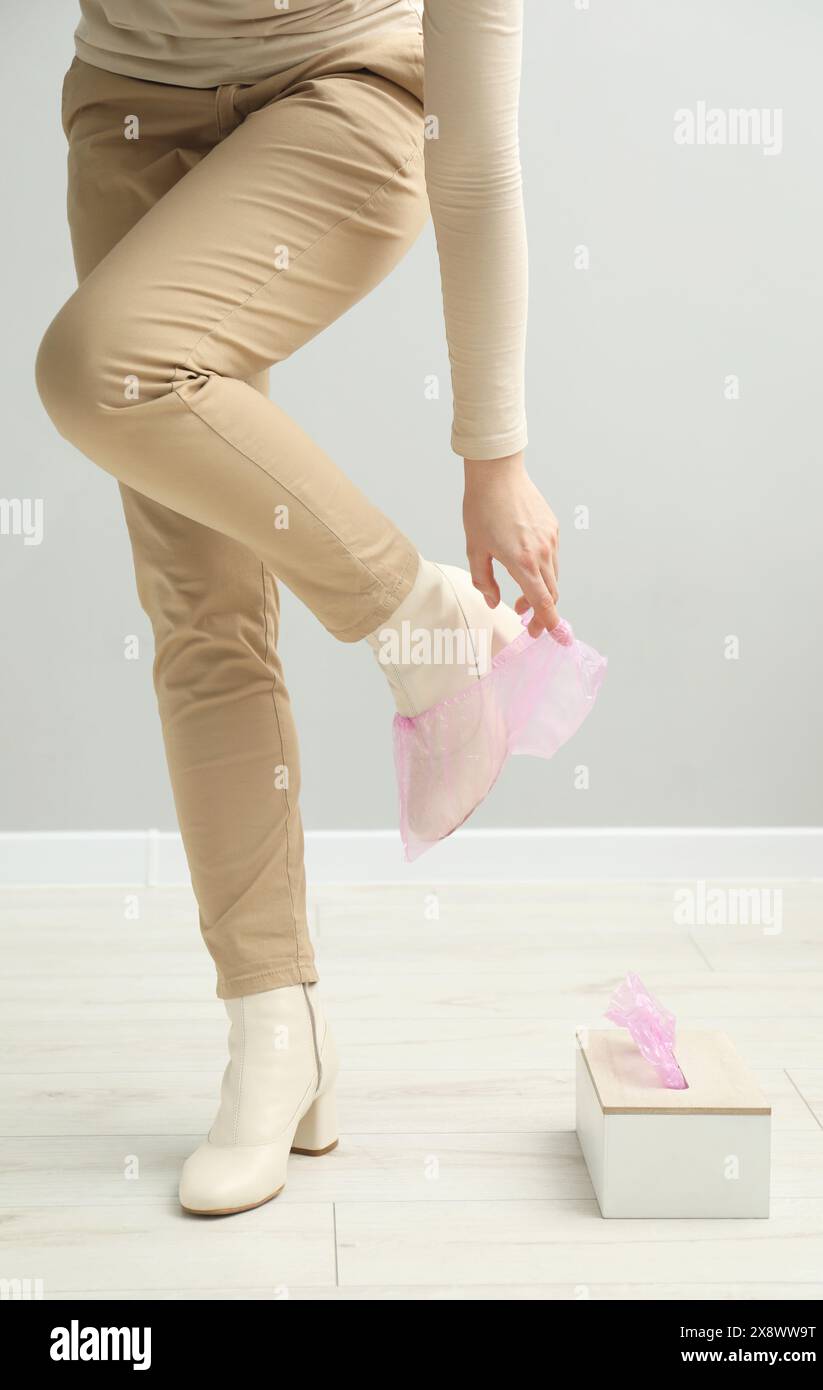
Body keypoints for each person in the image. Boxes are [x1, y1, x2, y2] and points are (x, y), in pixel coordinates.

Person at [35, 0, 564, 1216]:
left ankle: (422, 620)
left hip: (351, 93)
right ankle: (275, 1036)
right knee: (198, 598)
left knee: (104, 364)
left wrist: (494, 455)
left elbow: (475, 157)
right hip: (127, 111)